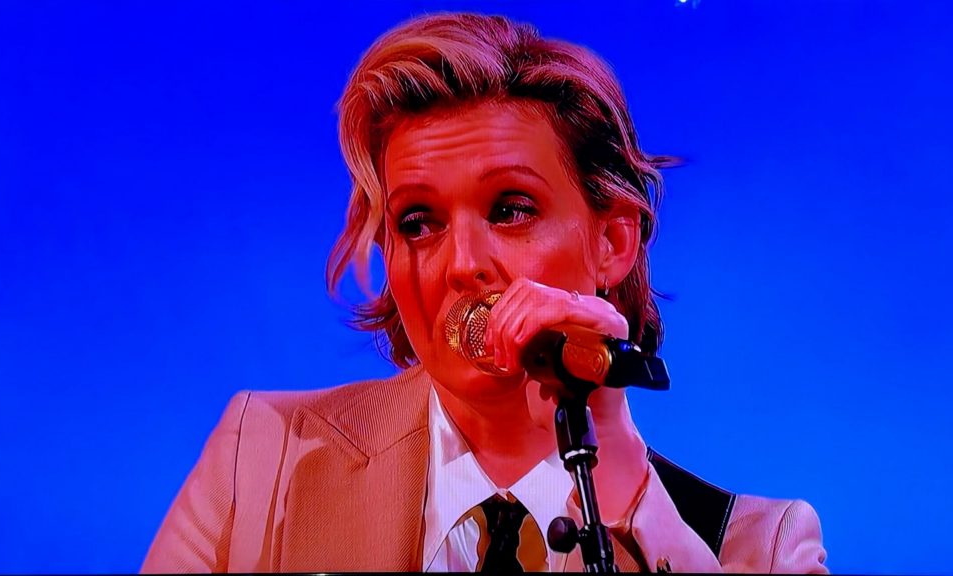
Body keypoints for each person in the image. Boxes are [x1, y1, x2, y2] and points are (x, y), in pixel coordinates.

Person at [142, 12, 827, 573]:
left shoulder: (758, 549)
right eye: (419, 222)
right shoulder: (262, 460)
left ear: (612, 241)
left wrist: (622, 479)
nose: (463, 264)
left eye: (510, 210)